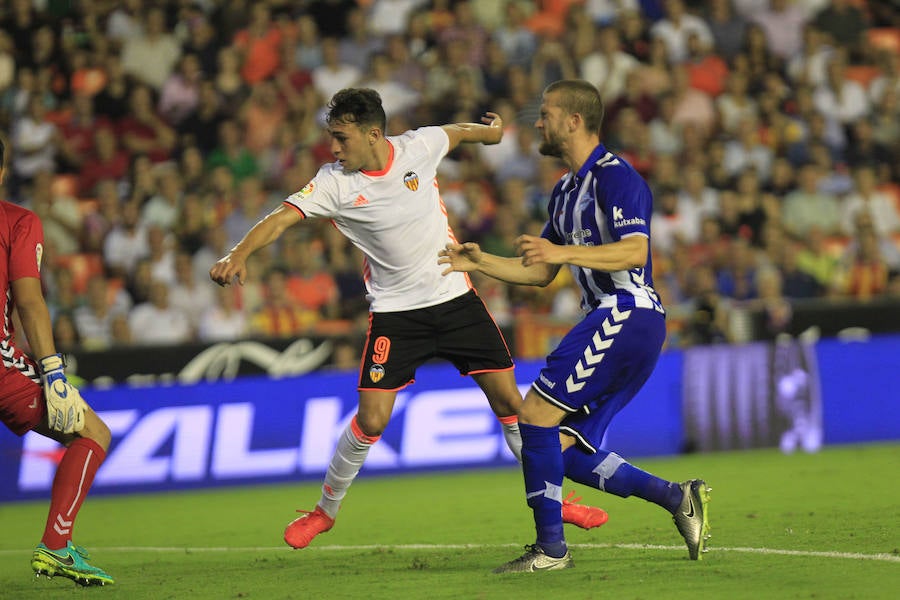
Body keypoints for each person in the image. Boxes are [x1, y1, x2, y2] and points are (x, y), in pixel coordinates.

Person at [209, 88, 608, 550]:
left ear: (374, 133)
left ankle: (555, 502)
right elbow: (280, 219)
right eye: (330, 139)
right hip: (396, 316)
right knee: (372, 420)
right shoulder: (333, 182)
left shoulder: (418, 145)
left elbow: (456, 133)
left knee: (513, 409)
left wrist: (491, 132)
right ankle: (324, 511)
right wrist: (238, 254)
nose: (334, 149)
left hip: (456, 299)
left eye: (341, 138)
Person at [439, 80, 711, 573]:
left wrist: (563, 251)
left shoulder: (617, 177)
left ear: (574, 121)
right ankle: (678, 498)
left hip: (627, 313)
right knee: (557, 449)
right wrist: (479, 263)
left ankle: (550, 550)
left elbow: (635, 251)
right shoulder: (564, 192)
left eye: (545, 114)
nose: (538, 122)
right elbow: (541, 272)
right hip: (616, 322)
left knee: (534, 418)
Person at [0, 138, 114, 586]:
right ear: (4, 172)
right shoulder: (17, 221)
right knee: (94, 433)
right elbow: (29, 300)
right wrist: (53, 371)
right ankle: (55, 546)